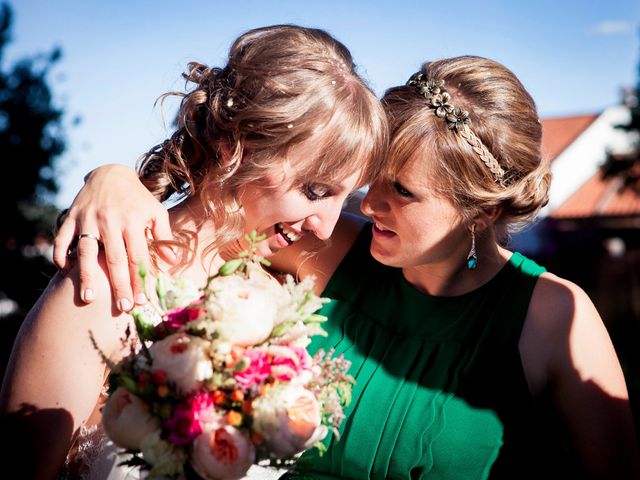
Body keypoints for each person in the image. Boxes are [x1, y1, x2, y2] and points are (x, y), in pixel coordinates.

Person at [54, 55, 640, 479]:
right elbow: (214, 208)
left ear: (478, 211)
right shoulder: (329, 250)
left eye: (402, 192)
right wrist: (114, 180)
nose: (367, 204)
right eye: (373, 180)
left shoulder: (554, 316)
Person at [0, 24, 387, 479]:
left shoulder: (278, 295)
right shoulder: (107, 282)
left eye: (344, 197)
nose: (326, 228)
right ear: (232, 146)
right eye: (315, 190)